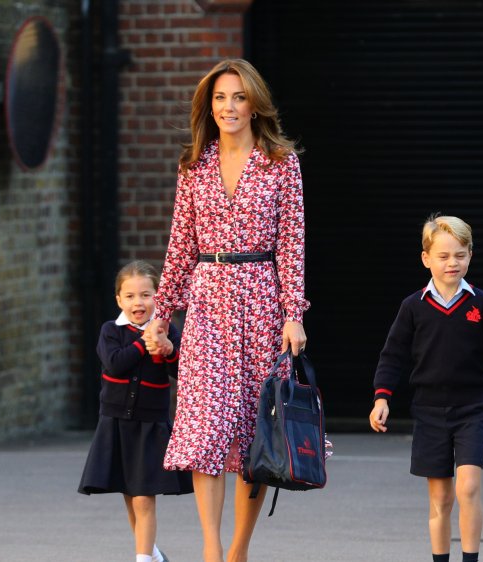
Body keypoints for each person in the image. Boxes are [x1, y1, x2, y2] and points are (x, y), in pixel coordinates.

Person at [143, 59, 309, 562]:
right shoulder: (193, 164)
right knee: (204, 427)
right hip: (208, 300)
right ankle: (212, 551)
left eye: (238, 97)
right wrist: (161, 313)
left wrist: (293, 312)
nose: (229, 107)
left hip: (261, 298)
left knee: (253, 433)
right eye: (219, 98)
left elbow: (292, 245)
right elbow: (179, 246)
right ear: (208, 106)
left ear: (254, 103)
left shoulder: (281, 163)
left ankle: (238, 549)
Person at [369, 215, 483, 562]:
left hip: (472, 408)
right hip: (429, 412)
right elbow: (392, 355)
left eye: (459, 254)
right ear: (426, 258)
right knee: (441, 499)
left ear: (470, 255)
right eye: (443, 256)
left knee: (468, 487)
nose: (452, 263)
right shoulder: (413, 306)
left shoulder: (482, 303)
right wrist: (382, 397)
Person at [79, 260, 193, 562]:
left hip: (150, 424)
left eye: (145, 294)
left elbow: (181, 372)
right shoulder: (110, 332)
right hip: (115, 422)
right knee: (130, 496)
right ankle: (151, 553)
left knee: (144, 497)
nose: (138, 302)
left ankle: (143, 559)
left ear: (158, 296)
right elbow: (115, 362)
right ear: (119, 300)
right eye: (129, 296)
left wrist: (168, 349)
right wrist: (144, 344)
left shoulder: (167, 330)